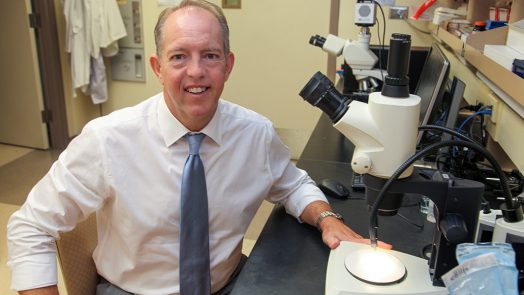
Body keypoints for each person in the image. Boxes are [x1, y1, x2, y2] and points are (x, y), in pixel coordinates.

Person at [7, 1, 389, 294]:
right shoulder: (107, 139)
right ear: (158, 68)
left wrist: (327, 219)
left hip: (227, 285)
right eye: (179, 57)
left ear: (228, 65)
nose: (196, 72)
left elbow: (291, 184)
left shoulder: (254, 134)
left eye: (210, 55)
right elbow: (30, 228)